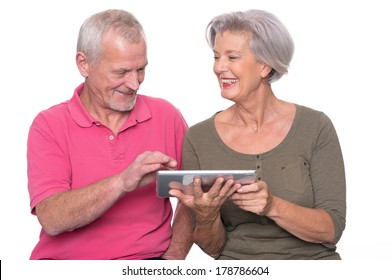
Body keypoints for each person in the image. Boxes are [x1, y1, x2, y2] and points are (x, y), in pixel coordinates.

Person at [170, 9, 346, 260]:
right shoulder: (199, 138)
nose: (219, 67)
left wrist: (271, 206)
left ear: (264, 66)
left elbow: (331, 229)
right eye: (216, 56)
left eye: (232, 57)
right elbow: (212, 248)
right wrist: (207, 217)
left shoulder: (315, 126)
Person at [27, 9, 192, 260]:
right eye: (121, 72)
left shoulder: (166, 115)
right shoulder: (49, 125)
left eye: (141, 70)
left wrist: (174, 257)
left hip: (147, 264)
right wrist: (123, 181)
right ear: (84, 64)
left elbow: (195, 194)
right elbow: (51, 218)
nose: (135, 83)